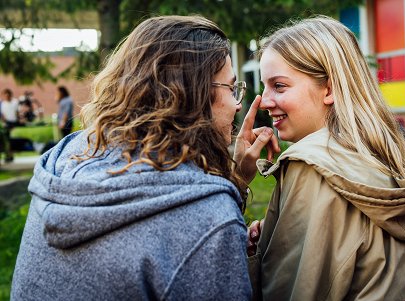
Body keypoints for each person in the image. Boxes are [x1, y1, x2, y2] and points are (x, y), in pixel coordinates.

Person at [12, 16, 252, 300]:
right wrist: (222, 226)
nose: (238, 104)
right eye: (230, 88)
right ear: (194, 95)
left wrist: (233, 182)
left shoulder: (69, 155)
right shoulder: (208, 218)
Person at [235, 16, 405, 300]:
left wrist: (237, 183)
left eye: (280, 86)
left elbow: (291, 291)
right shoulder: (375, 150)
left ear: (330, 89)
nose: (265, 100)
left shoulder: (310, 164)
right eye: (264, 86)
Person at [0, 88, 19, 162]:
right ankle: (8, 155)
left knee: (11, 141)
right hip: (6, 124)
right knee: (7, 141)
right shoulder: (2, 103)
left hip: (14, 122)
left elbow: (17, 112)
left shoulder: (15, 102)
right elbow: (2, 115)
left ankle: (10, 154)